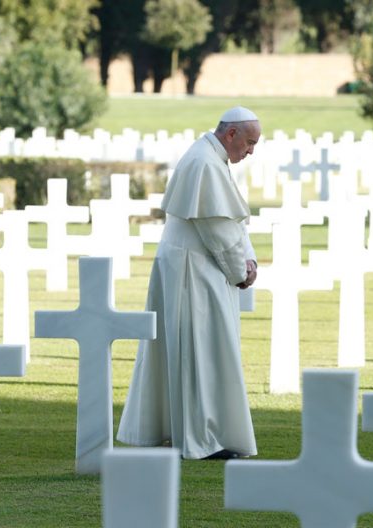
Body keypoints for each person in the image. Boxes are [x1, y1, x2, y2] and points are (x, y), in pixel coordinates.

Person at [117, 106, 261, 460]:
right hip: (192, 272)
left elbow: (232, 222)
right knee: (201, 353)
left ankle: (182, 429)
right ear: (231, 135)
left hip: (194, 267)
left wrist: (249, 259)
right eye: (249, 142)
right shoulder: (204, 163)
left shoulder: (210, 158)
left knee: (196, 350)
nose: (251, 151)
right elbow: (218, 231)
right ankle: (203, 437)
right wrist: (241, 271)